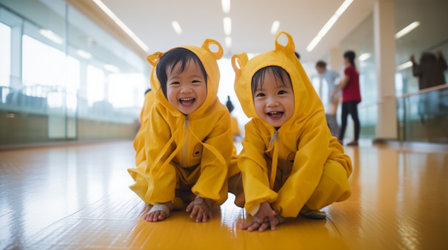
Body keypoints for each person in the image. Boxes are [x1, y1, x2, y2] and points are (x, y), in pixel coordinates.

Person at [231, 31, 352, 232]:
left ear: (299, 91)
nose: (272, 102)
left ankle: (301, 204)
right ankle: (265, 204)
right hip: (276, 179)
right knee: (237, 168)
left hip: (312, 175)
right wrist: (258, 200)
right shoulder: (255, 127)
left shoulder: (312, 121)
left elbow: (309, 166)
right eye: (261, 95)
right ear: (250, 99)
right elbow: (252, 162)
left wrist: (282, 209)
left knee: (334, 175)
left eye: (281, 92)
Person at [128, 39, 243, 223]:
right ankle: (168, 198)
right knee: (145, 174)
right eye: (175, 83)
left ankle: (196, 196)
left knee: (238, 171)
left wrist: (205, 197)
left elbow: (216, 158)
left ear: (210, 82)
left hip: (200, 170)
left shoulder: (219, 113)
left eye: (195, 81)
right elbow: (158, 154)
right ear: (163, 86)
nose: (186, 89)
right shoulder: (160, 111)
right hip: (174, 170)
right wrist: (161, 200)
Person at [331, 50, 361, 146]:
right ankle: (340, 139)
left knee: (353, 118)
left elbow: (344, 84)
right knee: (345, 118)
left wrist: (334, 91)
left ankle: (354, 140)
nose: (343, 60)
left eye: (343, 58)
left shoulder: (349, 69)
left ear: (347, 58)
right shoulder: (354, 69)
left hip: (350, 97)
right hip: (348, 98)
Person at [315, 60, 341, 137]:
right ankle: (332, 135)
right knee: (328, 118)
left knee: (332, 118)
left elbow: (339, 81)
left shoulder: (330, 73)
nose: (317, 71)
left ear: (322, 67)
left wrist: (334, 93)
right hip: (328, 100)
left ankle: (336, 136)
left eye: (317, 68)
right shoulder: (322, 76)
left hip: (333, 98)